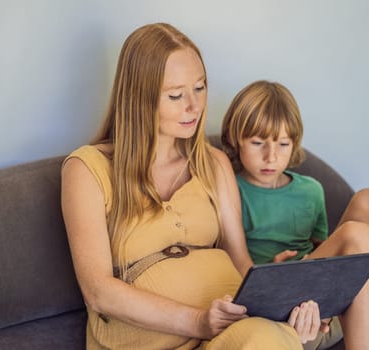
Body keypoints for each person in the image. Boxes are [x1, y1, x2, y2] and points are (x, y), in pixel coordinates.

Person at [61, 23, 335, 350]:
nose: (194, 106)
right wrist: (197, 321)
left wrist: (282, 303)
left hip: (232, 333)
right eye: (176, 95)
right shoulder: (87, 169)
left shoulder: (214, 163)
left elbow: (240, 261)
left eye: (200, 88)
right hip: (149, 341)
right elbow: (98, 291)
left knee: (267, 339)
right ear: (139, 98)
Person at [221, 80, 369, 350]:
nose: (271, 156)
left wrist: (313, 275)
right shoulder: (230, 188)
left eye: (283, 144)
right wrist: (275, 273)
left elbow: (323, 252)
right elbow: (230, 266)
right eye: (257, 143)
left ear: (295, 143)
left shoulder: (310, 191)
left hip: (320, 315)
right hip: (274, 317)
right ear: (234, 138)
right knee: (357, 233)